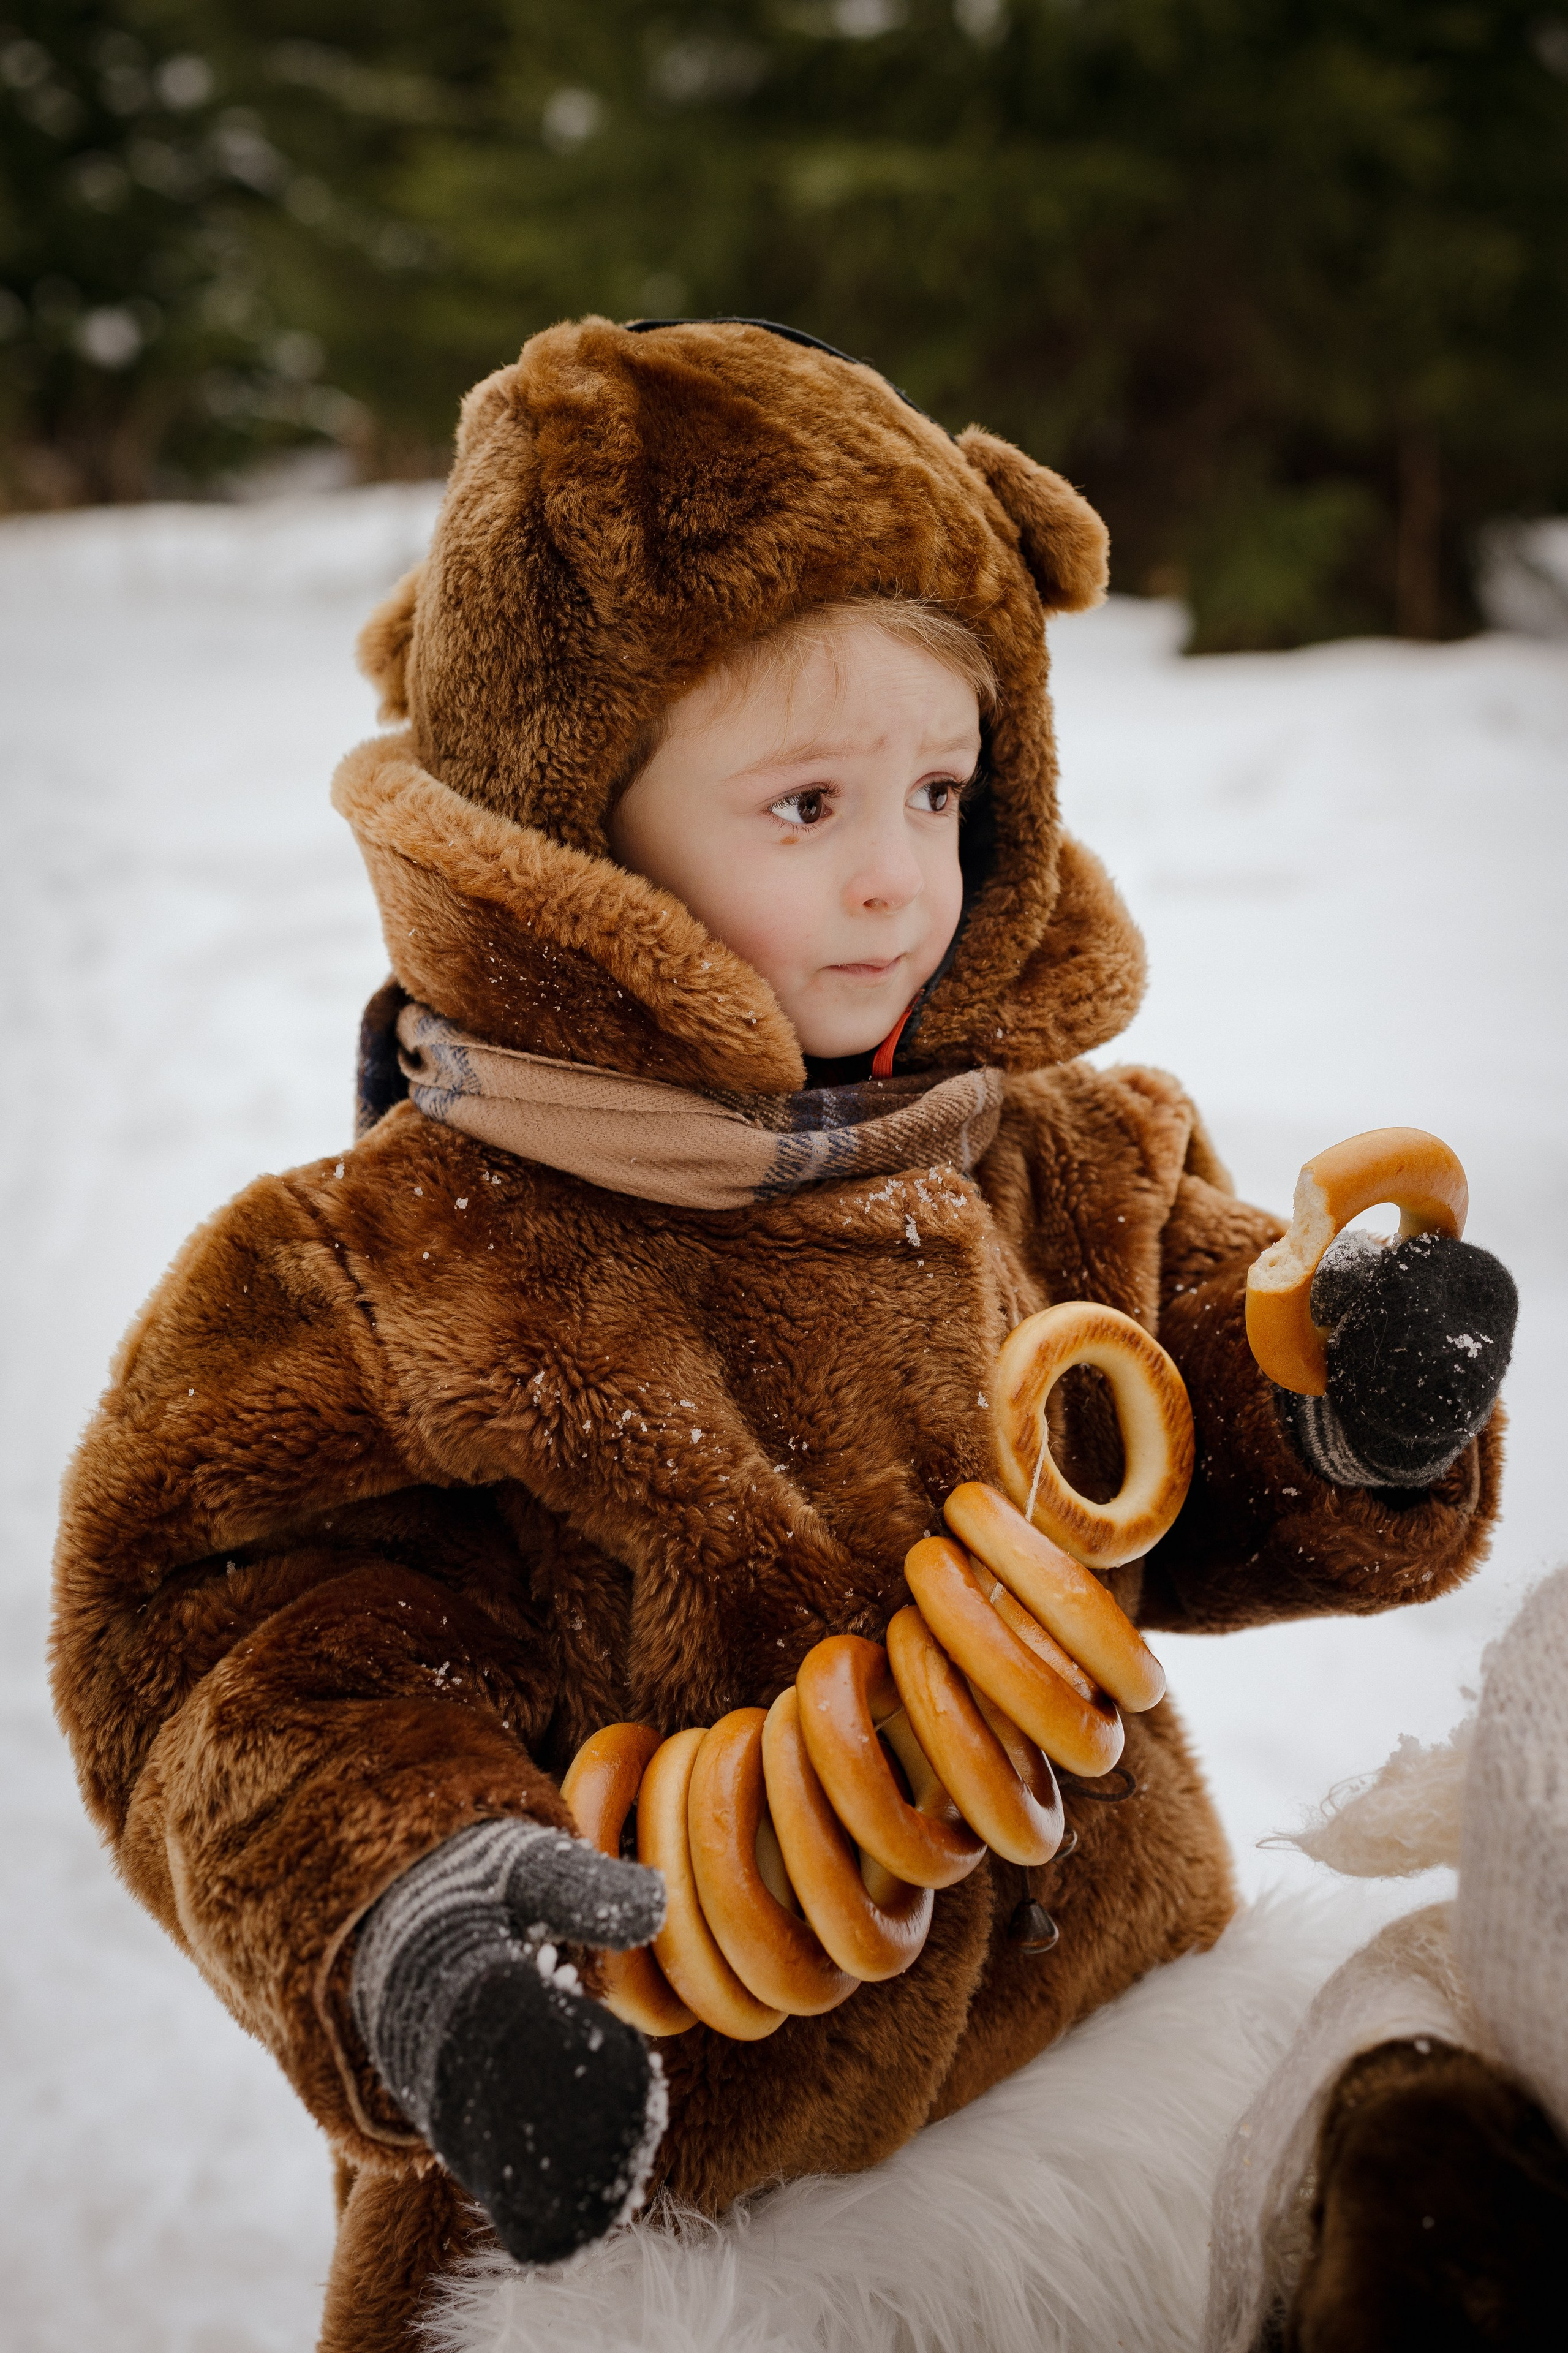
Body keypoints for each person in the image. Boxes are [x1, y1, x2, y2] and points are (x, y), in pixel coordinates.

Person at [50, 317, 1516, 2353]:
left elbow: (1193, 1389)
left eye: (942, 788)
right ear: (571, 833)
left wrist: (1346, 1399)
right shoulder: (386, 1272)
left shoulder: (1032, 1152)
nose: (904, 881)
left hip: (1136, 2056)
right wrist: (432, 1931)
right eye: (808, 804)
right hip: (678, 2212)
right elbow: (235, 1672)